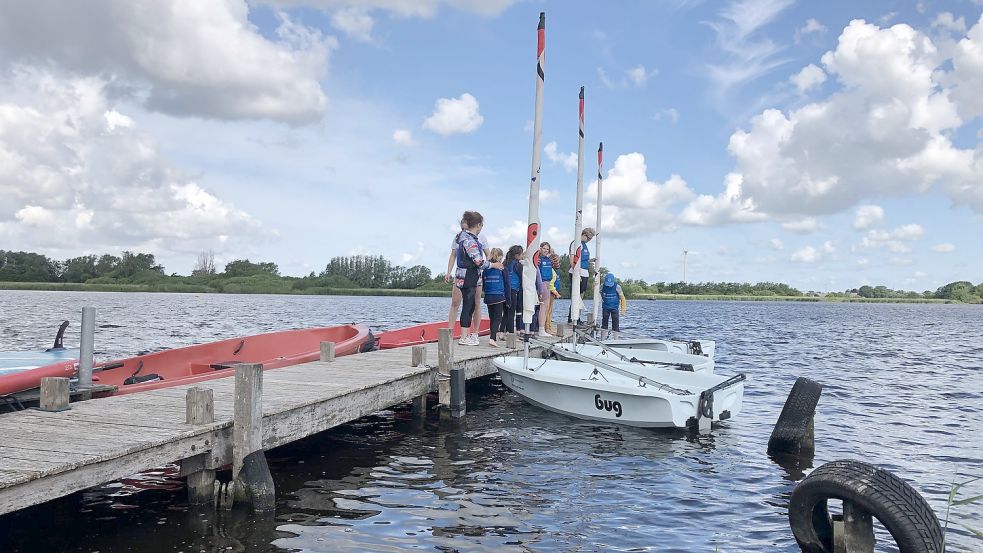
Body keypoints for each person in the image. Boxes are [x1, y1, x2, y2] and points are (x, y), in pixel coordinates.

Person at [455, 211, 503, 346]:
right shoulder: (469, 240)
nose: (482, 227)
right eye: (481, 225)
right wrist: (494, 264)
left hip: (466, 275)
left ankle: (466, 335)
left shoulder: (463, 237)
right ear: (478, 225)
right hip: (468, 275)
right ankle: (464, 337)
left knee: (469, 305)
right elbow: (478, 261)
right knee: (468, 305)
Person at [445, 213, 490, 338]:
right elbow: (453, 254)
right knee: (455, 302)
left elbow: (488, 254)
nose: (464, 230)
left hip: (476, 272)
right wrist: (448, 272)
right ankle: (450, 332)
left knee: (475, 303)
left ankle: (474, 332)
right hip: (461, 273)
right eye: (462, 228)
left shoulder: (481, 237)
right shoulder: (458, 238)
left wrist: (486, 267)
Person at [482, 248, 509, 347]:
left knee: (492, 318)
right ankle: (492, 338)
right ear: (500, 257)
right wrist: (508, 299)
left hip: (488, 296)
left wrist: (486, 293)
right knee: (498, 318)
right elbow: (507, 284)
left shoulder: (486, 268)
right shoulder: (502, 268)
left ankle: (492, 337)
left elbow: (484, 284)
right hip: (499, 296)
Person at [568, 227, 596, 324]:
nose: (588, 241)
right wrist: (576, 273)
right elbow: (572, 259)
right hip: (576, 272)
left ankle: (577, 317)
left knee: (581, 296)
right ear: (584, 235)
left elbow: (583, 259)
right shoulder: (575, 243)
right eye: (588, 238)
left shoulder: (585, 245)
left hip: (585, 272)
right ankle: (572, 318)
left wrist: (590, 260)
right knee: (576, 295)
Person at [536, 242, 557, 337]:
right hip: (542, 283)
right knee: (543, 306)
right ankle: (541, 329)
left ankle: (543, 328)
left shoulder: (548, 259)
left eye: (547, 249)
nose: (545, 250)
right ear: (540, 248)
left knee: (546, 307)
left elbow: (556, 263)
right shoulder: (538, 259)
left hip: (548, 283)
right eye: (544, 248)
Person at [600, 272, 627, 339]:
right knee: (604, 324)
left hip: (614, 308)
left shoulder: (617, 287)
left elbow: (623, 299)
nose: (609, 286)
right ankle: (602, 339)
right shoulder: (602, 286)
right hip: (605, 307)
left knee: (615, 324)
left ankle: (616, 339)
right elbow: (597, 292)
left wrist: (623, 310)